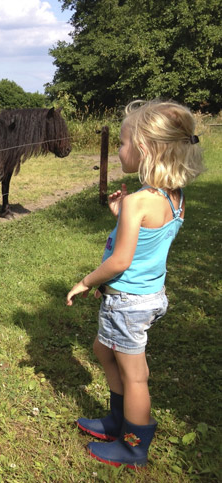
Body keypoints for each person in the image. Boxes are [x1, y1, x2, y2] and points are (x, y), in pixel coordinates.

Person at [65, 99, 205, 468]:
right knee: (102, 349)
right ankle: (116, 419)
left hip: (127, 301)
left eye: (123, 143)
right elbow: (145, 247)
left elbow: (121, 260)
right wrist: (119, 214)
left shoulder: (139, 202)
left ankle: (132, 446)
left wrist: (85, 281)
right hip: (148, 296)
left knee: (135, 376)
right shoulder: (172, 198)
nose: (120, 151)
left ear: (143, 149)